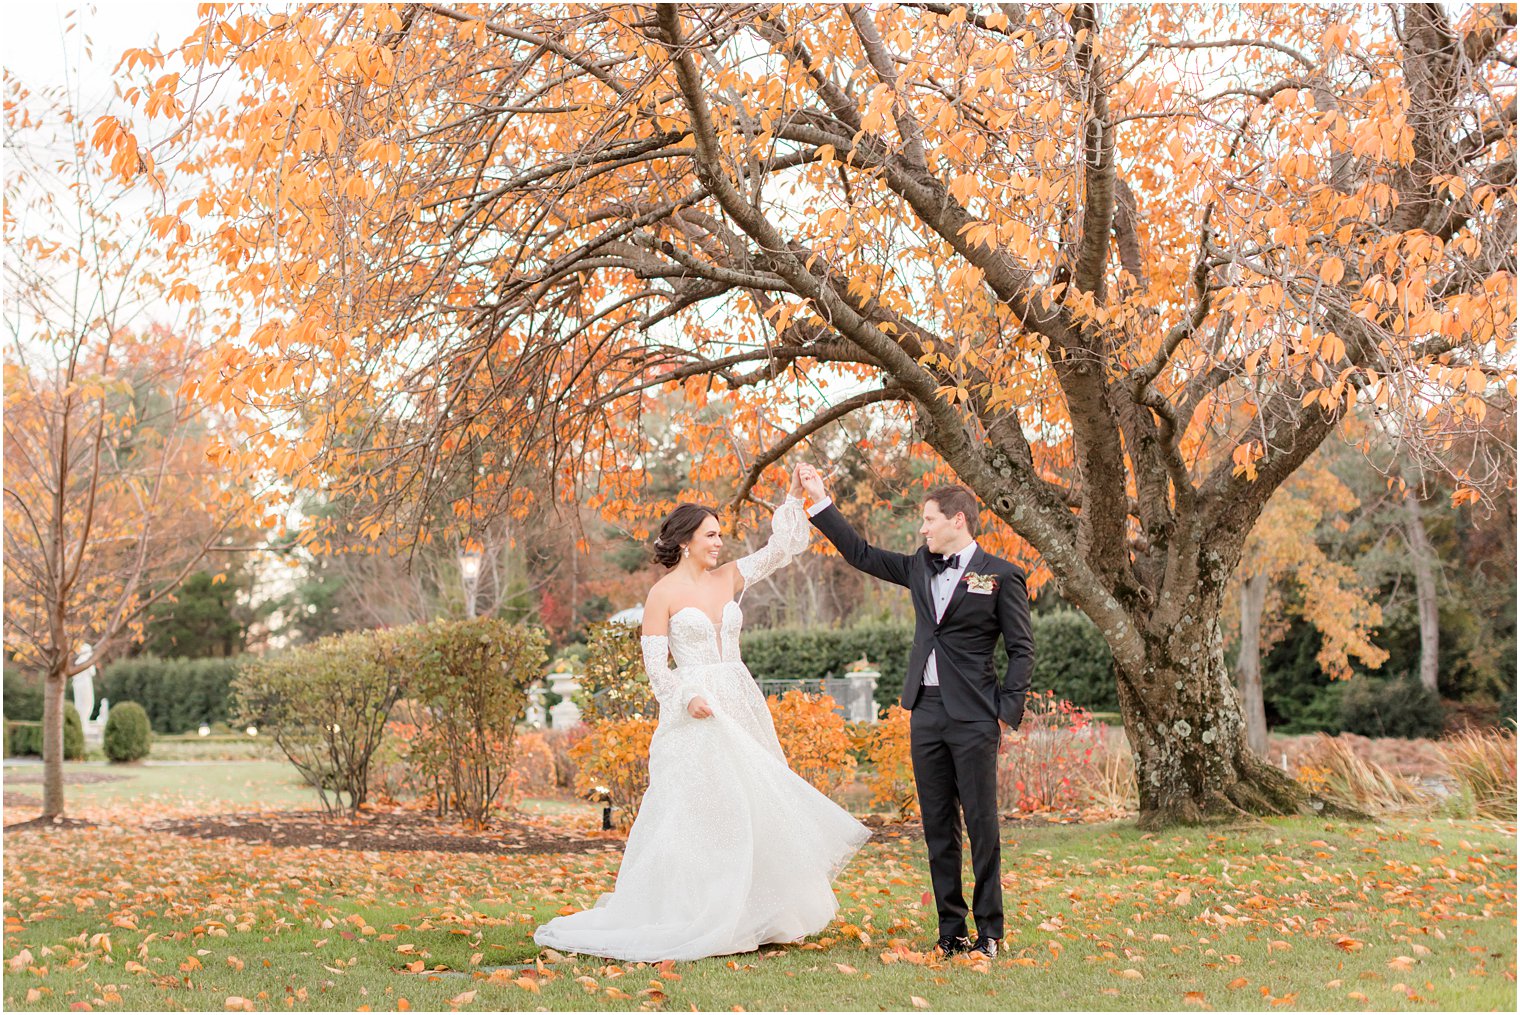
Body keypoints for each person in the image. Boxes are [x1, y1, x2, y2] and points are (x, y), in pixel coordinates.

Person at [534, 473, 869, 962]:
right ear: (686, 542)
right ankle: (698, 908)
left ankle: (756, 912)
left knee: (753, 804)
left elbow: (781, 549)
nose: (719, 542)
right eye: (710, 535)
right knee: (703, 813)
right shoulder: (662, 595)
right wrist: (688, 696)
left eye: (719, 535)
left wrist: (799, 497)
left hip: (740, 699)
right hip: (695, 713)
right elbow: (656, 669)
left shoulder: (730, 576)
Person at [796, 464, 1033, 959]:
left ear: (958, 521)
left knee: (982, 827)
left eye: (929, 520)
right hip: (924, 714)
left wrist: (1003, 711)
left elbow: (1022, 651)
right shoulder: (920, 567)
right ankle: (952, 931)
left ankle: (991, 930)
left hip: (974, 719)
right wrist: (819, 501)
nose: (922, 529)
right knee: (937, 827)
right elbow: (860, 553)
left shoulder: (1002, 576)